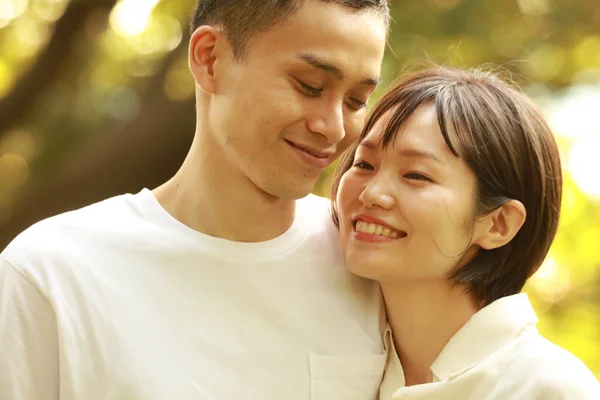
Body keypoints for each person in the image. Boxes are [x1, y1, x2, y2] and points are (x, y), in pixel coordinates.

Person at [0, 1, 390, 399]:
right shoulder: (51, 275)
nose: (334, 128)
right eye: (310, 85)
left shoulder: (376, 264)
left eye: (356, 101)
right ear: (210, 59)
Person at [331, 66, 600, 399]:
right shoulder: (336, 358)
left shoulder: (546, 388)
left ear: (499, 224)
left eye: (416, 175)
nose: (371, 193)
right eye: (364, 164)